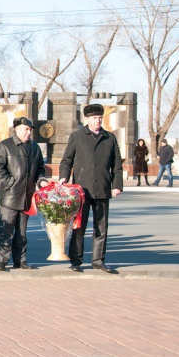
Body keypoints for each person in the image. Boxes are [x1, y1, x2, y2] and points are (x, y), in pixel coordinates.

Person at [59, 104, 123, 273]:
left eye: (100, 117)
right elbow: (66, 160)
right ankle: (76, 260)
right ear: (87, 119)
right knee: (79, 226)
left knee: (101, 228)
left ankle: (98, 260)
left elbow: (117, 165)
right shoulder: (77, 137)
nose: (98, 120)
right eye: (94, 118)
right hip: (82, 190)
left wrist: (116, 185)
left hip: (102, 188)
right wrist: (64, 177)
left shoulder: (109, 138)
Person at [0, 117, 48, 271]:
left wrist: (41, 180)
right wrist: (10, 182)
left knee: (22, 232)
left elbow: (40, 168)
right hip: (10, 196)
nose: (29, 132)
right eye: (26, 129)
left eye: (30, 130)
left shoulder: (34, 147)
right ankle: (1, 261)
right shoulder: (5, 145)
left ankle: (20, 260)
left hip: (27, 196)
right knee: (5, 230)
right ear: (16, 129)